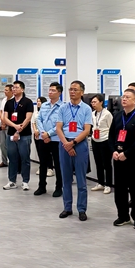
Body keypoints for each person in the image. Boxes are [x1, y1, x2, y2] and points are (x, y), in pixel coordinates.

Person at [109, 88, 135, 228]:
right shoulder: (117, 116)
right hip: (118, 158)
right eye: (123, 97)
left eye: (127, 97)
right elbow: (111, 136)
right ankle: (122, 216)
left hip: (133, 158)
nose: (123, 99)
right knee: (119, 189)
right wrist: (113, 151)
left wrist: (127, 153)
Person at [55, 80, 92, 221]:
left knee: (81, 180)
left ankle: (82, 209)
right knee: (66, 179)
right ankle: (67, 207)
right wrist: (66, 144)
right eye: (70, 89)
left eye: (75, 89)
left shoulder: (86, 109)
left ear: (82, 92)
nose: (72, 92)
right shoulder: (63, 108)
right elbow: (59, 128)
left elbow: (87, 130)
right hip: (64, 143)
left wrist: (73, 143)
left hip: (79, 144)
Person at [33, 83, 65, 197]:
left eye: (53, 90)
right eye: (49, 90)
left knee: (58, 164)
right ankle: (42, 186)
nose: (50, 92)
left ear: (59, 93)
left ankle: (59, 187)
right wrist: (43, 133)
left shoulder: (63, 107)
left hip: (56, 139)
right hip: (43, 138)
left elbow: (61, 124)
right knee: (43, 163)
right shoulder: (44, 105)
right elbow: (39, 120)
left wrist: (49, 134)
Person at [2, 81, 34, 190]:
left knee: (25, 158)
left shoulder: (28, 102)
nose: (14, 89)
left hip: (24, 134)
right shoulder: (9, 103)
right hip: (11, 134)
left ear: (22, 89)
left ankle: (25, 181)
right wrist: (15, 126)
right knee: (12, 158)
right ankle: (12, 181)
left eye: (16, 87)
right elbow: (5, 118)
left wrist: (19, 129)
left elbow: (28, 118)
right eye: (13, 88)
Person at [90, 94, 113, 194]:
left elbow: (111, 128)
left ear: (101, 102)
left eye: (95, 102)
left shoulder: (107, 114)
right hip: (95, 140)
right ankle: (100, 183)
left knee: (106, 164)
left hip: (105, 140)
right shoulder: (93, 113)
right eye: (92, 102)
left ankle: (108, 184)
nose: (93, 104)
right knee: (98, 163)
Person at [0, 84, 14, 168]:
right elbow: (1, 111)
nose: (5, 92)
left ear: (11, 91)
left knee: (10, 144)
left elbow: (12, 114)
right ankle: (4, 161)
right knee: (2, 143)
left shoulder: (13, 101)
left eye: (7, 90)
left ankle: (12, 161)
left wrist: (5, 122)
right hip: (2, 122)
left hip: (10, 123)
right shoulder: (4, 100)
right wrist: (2, 121)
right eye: (5, 90)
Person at [32, 97, 50, 176]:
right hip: (36, 134)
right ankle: (42, 166)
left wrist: (41, 131)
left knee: (47, 152)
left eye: (40, 101)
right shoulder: (36, 112)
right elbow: (33, 122)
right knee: (39, 151)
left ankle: (50, 167)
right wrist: (35, 131)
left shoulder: (47, 112)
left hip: (44, 134)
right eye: (37, 101)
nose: (38, 103)